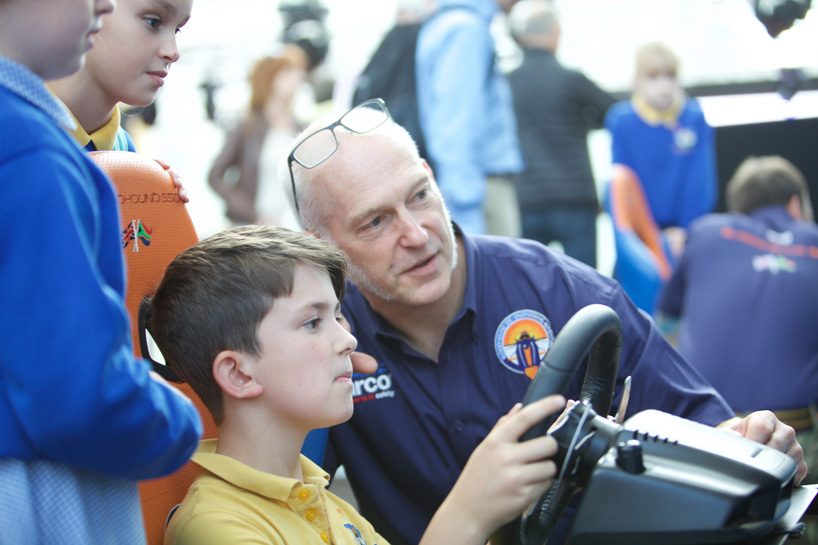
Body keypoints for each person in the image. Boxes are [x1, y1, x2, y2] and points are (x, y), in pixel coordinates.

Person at [280, 99, 806, 545]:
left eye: (419, 195)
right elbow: (279, 498)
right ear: (322, 246)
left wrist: (750, 438)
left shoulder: (567, 294)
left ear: (434, 179)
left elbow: (700, 421)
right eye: (376, 221)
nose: (416, 234)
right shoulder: (324, 347)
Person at [150, 224, 565, 545]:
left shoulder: (327, 505)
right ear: (239, 374)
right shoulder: (215, 526)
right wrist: (469, 511)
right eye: (313, 322)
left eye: (337, 316)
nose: (348, 339)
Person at [0, 1, 202, 544]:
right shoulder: (33, 151)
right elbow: (73, 387)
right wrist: (183, 421)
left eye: (179, 28)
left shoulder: (122, 158)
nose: (172, 49)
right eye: (153, 21)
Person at [658, 155, 818, 486]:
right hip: (792, 442)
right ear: (795, 204)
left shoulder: (704, 233)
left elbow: (667, 317)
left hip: (707, 437)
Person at [507, 1, 615, 268]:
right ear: (555, 34)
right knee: (585, 282)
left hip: (527, 199)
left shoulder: (507, 83)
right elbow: (614, 113)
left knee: (530, 283)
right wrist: (585, 122)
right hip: (575, 198)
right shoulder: (571, 79)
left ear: (523, 37)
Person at [416, 0, 524, 236]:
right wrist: (465, 212)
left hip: (475, 185)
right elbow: (454, 124)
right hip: (480, 189)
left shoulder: (451, 23)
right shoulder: (465, 29)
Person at [605, 41, 717, 258]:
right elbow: (623, 185)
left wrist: (686, 230)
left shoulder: (693, 117)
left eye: (670, 76)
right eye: (653, 77)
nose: (664, 86)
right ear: (636, 81)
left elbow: (700, 181)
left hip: (685, 234)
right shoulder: (621, 120)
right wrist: (647, 234)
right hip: (640, 235)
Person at [49, 0, 192, 154]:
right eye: (153, 22)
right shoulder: (31, 136)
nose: (173, 53)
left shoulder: (126, 154)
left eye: (176, 30)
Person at [208, 47, 309, 228]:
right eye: (287, 72)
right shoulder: (247, 126)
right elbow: (215, 176)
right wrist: (249, 212)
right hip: (251, 229)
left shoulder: (299, 127)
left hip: (291, 229)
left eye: (297, 72)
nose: (297, 78)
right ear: (269, 77)